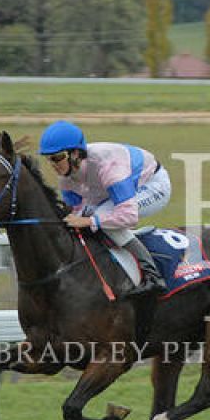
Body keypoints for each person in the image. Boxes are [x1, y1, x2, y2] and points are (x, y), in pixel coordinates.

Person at [39, 120, 170, 296]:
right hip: (110, 187)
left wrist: (90, 221)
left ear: (75, 154)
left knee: (101, 218)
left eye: (57, 158)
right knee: (86, 220)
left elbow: (129, 216)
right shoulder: (66, 179)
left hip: (152, 184)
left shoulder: (108, 167)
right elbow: (75, 213)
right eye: (49, 159)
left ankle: (153, 276)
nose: (53, 164)